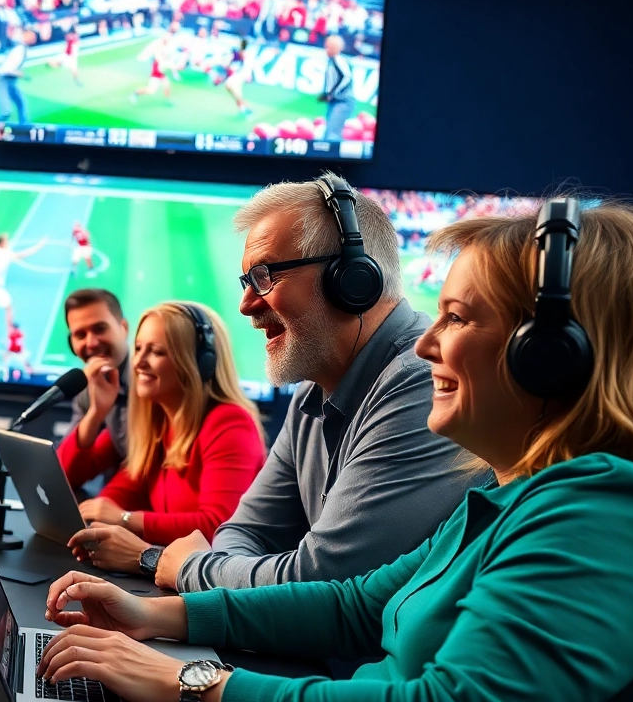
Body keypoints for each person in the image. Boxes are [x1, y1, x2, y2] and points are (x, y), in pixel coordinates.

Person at [37, 198, 633, 702]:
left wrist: (194, 683)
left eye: (454, 319)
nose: (426, 344)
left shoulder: (590, 520)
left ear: (549, 356)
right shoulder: (501, 503)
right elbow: (352, 605)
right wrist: (156, 617)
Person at [156, 175, 472, 593]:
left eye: (265, 276)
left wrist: (192, 569)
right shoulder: (314, 388)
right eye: (247, 282)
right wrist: (225, 569)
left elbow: (320, 581)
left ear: (351, 280)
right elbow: (246, 531)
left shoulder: (421, 381)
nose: (246, 305)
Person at [61, 303, 266, 575]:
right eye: (138, 349)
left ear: (198, 363)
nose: (138, 363)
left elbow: (218, 525)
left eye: (156, 352)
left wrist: (125, 519)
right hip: (169, 576)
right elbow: (103, 483)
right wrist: (97, 522)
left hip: (211, 583)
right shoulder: (157, 421)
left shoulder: (230, 423)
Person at [62, 289, 131, 482]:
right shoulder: (88, 385)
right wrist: (95, 413)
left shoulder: (150, 381)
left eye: (100, 329)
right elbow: (65, 474)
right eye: (80, 335)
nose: (91, 343)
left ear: (124, 328)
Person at [0, 26, 33, 127]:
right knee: (6, 111)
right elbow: (7, 69)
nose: (34, 38)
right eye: (31, 35)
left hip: (11, 81)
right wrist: (22, 74)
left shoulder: (23, 49)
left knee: (22, 103)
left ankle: (25, 127)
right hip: (3, 80)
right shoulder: (20, 50)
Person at [320, 34, 354, 142]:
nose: (326, 49)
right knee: (329, 132)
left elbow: (346, 77)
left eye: (328, 46)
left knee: (332, 134)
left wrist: (331, 93)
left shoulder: (338, 60)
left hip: (343, 102)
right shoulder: (331, 61)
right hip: (336, 101)